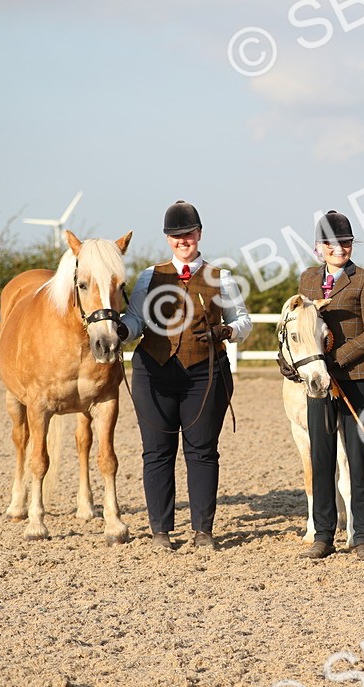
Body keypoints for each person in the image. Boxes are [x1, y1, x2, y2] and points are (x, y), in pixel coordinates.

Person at [120, 200, 252, 550]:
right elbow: (135, 319)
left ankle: (202, 531)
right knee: (157, 450)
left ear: (199, 234)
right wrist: (121, 331)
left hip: (204, 373)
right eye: (176, 235)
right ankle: (161, 531)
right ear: (167, 238)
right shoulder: (150, 276)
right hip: (154, 371)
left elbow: (243, 321)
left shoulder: (219, 276)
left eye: (188, 234)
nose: (183, 240)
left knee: (202, 450)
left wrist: (227, 333)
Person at [294, 210, 364, 563]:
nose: (340, 248)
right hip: (318, 383)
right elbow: (303, 324)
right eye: (332, 244)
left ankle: (363, 535)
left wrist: (335, 361)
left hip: (357, 378)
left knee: (360, 458)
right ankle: (323, 534)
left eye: (345, 242)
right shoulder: (307, 279)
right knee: (321, 458)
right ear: (319, 247)